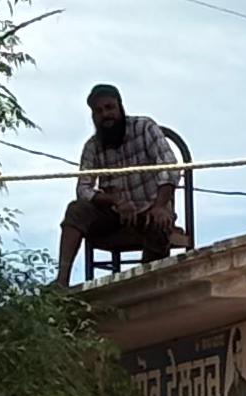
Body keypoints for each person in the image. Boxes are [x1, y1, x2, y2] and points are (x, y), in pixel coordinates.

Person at [53, 82, 190, 281]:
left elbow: (169, 167)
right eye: (98, 111)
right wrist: (115, 201)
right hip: (115, 216)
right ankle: (61, 281)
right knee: (76, 210)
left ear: (120, 107)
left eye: (109, 108)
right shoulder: (92, 146)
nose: (105, 115)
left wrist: (161, 206)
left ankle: (146, 285)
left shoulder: (144, 128)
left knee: (159, 225)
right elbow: (83, 189)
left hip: (150, 209)